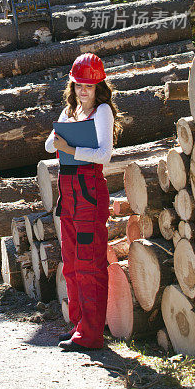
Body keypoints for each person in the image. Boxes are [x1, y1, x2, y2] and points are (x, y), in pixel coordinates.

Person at [44, 52, 121, 351]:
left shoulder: (102, 112)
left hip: (89, 190)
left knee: (90, 265)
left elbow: (104, 154)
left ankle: (91, 335)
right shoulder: (69, 111)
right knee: (72, 265)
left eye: (88, 86)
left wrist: (71, 148)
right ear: (73, 86)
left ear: (98, 85)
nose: (83, 91)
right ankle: (78, 328)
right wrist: (62, 135)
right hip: (68, 191)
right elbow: (50, 144)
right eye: (78, 86)